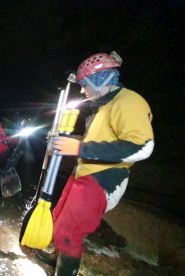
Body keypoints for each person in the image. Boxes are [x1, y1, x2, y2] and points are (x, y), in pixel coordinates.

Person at [47, 52, 154, 275]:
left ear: (100, 80)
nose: (83, 90)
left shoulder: (129, 102)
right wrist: (68, 142)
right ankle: (56, 260)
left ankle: (64, 270)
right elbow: (92, 143)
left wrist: (78, 148)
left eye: (85, 84)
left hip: (103, 178)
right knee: (59, 219)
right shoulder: (102, 108)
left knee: (70, 232)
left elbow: (142, 147)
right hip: (83, 173)